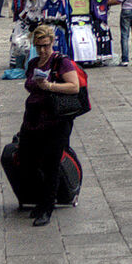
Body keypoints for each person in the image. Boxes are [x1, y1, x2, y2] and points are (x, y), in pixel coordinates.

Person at [16, 22, 83, 225]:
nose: (43, 50)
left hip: (55, 119)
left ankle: (47, 206)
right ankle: (40, 199)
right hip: (33, 118)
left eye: (46, 45)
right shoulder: (33, 63)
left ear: (52, 42)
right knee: (27, 158)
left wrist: (49, 86)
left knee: (51, 163)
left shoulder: (61, 62)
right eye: (39, 46)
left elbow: (74, 87)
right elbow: (29, 84)